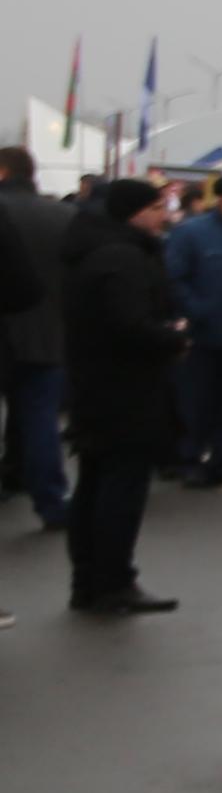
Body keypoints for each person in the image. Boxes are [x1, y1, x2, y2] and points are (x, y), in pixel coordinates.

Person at [56, 177, 189, 615]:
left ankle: (89, 579)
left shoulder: (93, 250)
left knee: (94, 484)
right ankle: (112, 580)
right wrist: (171, 337)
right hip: (126, 391)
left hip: (94, 386)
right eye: (156, 208)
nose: (164, 216)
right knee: (121, 488)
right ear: (134, 212)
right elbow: (130, 325)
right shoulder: (124, 258)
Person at [0, 140, 68, 529]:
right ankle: (50, 500)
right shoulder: (62, 214)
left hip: (7, 330)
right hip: (47, 333)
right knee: (41, 421)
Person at [166, 176, 222, 481]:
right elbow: (174, 278)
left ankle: (221, 463)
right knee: (195, 402)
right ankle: (189, 459)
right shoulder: (191, 233)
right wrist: (195, 310)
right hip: (200, 336)